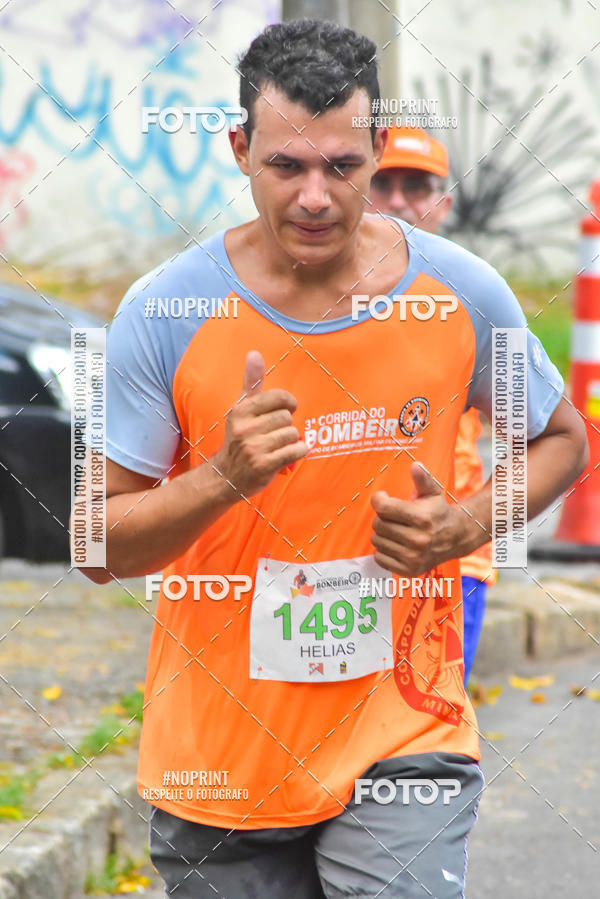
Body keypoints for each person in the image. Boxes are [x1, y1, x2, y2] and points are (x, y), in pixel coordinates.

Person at [79, 19, 588, 899]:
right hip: (223, 755)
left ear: (379, 150)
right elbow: (94, 543)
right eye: (287, 166)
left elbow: (563, 440)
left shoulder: (461, 294)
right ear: (240, 150)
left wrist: (461, 524)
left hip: (406, 732)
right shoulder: (164, 311)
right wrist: (221, 479)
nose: (315, 196)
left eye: (343, 168)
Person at [369, 126, 496, 683]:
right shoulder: (307, 296)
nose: (398, 201)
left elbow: (544, 437)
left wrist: (470, 521)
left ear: (442, 204)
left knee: (421, 742)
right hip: (335, 557)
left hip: (447, 560)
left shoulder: (476, 298)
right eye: (383, 183)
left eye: (416, 187)